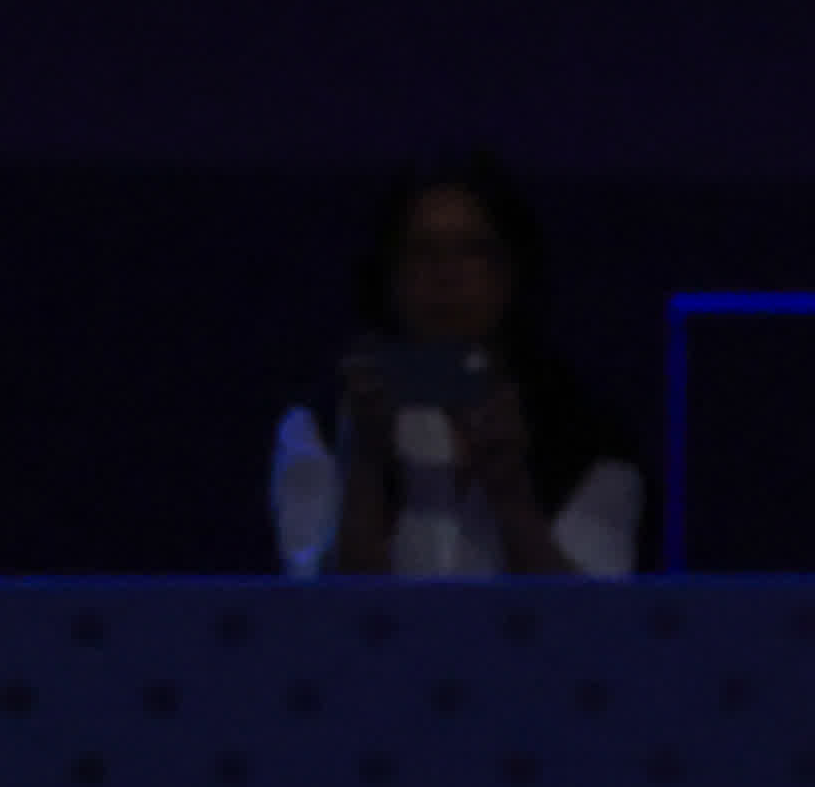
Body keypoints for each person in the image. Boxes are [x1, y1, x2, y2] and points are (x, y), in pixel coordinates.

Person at [267, 157, 644, 581]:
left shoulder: (587, 439)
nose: (446, 275)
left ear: (510, 276)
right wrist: (366, 464)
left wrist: (511, 494)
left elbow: (594, 624)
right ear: (389, 278)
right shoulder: (319, 426)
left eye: (473, 251)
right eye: (421, 252)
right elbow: (326, 621)